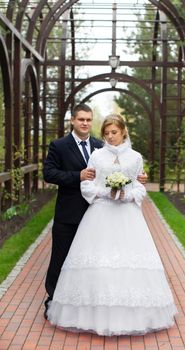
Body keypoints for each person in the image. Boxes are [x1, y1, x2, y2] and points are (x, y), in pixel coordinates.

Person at [47, 114, 177, 336]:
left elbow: (140, 187)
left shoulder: (136, 158)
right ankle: (92, 314)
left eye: (114, 132)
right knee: (98, 263)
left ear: (123, 132)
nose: (110, 136)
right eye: (106, 133)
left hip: (128, 217)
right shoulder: (97, 155)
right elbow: (87, 186)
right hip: (100, 215)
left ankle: (132, 317)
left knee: (130, 264)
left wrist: (127, 195)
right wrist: (107, 192)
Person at [43, 105, 147, 319]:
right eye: (81, 119)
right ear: (73, 120)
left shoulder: (101, 147)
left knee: (98, 261)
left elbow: (124, 168)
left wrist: (137, 180)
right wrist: (77, 176)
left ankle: (96, 301)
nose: (85, 123)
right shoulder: (59, 145)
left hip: (99, 213)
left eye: (89, 120)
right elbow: (49, 173)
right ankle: (54, 299)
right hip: (71, 212)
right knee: (62, 258)